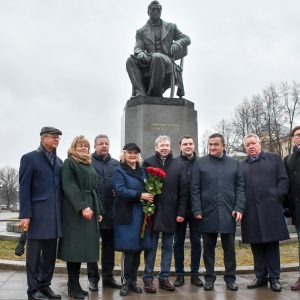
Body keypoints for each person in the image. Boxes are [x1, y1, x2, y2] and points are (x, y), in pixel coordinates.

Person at [191, 133, 245, 291]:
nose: (212, 147)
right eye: (210, 144)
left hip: (229, 213)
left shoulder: (235, 163)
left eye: (216, 144)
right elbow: (195, 189)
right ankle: (209, 278)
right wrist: (197, 210)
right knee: (208, 249)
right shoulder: (200, 163)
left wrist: (239, 207)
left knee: (229, 249)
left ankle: (230, 278)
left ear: (223, 146)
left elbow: (240, 188)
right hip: (207, 213)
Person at [240, 133, 289, 292]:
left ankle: (274, 278)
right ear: (245, 148)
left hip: (271, 208)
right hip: (251, 210)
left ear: (260, 144)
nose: (251, 146)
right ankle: (260, 276)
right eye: (248, 145)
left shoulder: (274, 159)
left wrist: (277, 196)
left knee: (271, 244)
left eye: (253, 143)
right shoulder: (241, 165)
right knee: (256, 245)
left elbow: (283, 179)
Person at [19, 126, 63, 300]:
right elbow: (24, 188)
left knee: (50, 256)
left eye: (58, 138)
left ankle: (45, 287)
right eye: (53, 137)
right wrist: (25, 214)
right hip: (37, 216)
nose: (56, 140)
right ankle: (33, 290)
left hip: (54, 217)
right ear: (42, 139)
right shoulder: (30, 158)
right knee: (34, 257)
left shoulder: (59, 161)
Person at [57, 136, 104, 299]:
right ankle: (73, 285)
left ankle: (74, 285)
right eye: (80, 145)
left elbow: (94, 189)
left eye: (86, 146)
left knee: (84, 248)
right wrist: (83, 206)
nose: (84, 148)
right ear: (74, 147)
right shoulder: (70, 162)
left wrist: (99, 211)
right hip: (75, 211)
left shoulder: (88, 163)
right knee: (74, 248)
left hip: (90, 208)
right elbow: (69, 185)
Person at [142, 135, 186, 293]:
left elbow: (183, 191)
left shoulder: (178, 164)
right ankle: (148, 278)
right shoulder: (148, 163)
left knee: (168, 247)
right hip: (153, 212)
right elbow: (143, 186)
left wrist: (181, 212)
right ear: (156, 147)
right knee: (151, 247)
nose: (165, 147)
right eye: (161, 145)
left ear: (170, 146)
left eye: (167, 145)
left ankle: (164, 277)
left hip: (170, 212)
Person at [113, 143, 154, 296]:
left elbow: (148, 188)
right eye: (130, 153)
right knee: (128, 250)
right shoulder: (119, 170)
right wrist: (140, 195)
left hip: (141, 215)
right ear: (124, 154)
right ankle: (125, 281)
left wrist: (151, 194)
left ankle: (133, 282)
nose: (132, 155)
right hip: (127, 215)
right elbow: (120, 190)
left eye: (135, 153)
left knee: (137, 250)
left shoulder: (143, 172)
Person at [126, 1, 191, 97]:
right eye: (153, 10)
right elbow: (138, 47)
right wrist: (140, 52)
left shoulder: (171, 27)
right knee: (130, 61)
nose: (156, 11)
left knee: (157, 57)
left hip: (167, 60)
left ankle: (155, 94)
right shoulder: (141, 31)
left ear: (161, 11)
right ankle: (141, 92)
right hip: (149, 59)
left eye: (158, 10)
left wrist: (177, 42)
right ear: (148, 12)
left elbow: (187, 39)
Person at [87, 134, 121, 291]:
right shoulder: (88, 162)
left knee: (109, 248)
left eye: (106, 143)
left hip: (111, 212)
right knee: (92, 247)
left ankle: (108, 277)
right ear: (94, 146)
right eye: (100, 143)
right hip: (93, 212)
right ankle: (93, 278)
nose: (104, 146)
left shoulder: (116, 164)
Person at [173, 136, 203, 287]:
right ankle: (179, 274)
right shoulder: (174, 163)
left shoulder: (201, 162)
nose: (188, 146)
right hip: (179, 210)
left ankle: (195, 274)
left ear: (194, 145)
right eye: (185, 144)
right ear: (180, 146)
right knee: (177, 242)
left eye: (190, 144)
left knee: (196, 242)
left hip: (197, 210)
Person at [284, 125, 300, 290]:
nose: (299, 137)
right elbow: (286, 183)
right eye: (297, 135)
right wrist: (287, 206)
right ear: (293, 138)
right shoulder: (288, 159)